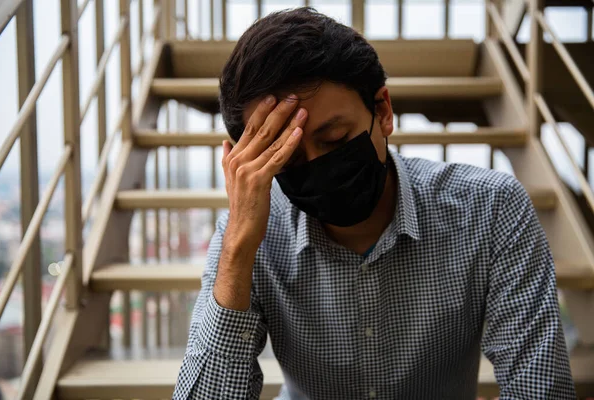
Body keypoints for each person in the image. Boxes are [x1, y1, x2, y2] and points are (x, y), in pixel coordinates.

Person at [173, 7, 575, 400]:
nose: (318, 166)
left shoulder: (491, 209)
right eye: (287, 157)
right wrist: (239, 251)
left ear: (382, 110)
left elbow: (540, 387)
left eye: (334, 140)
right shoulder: (250, 235)